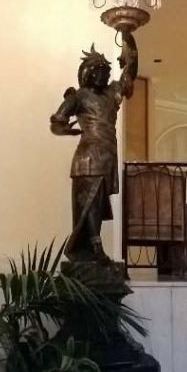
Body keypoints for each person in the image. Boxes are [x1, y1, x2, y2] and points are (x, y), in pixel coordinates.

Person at [50, 31, 137, 263]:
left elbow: (130, 73)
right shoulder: (78, 96)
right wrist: (66, 130)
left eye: (106, 71)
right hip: (87, 156)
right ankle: (95, 247)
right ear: (88, 73)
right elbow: (57, 122)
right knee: (88, 203)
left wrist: (128, 37)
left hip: (107, 156)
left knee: (97, 203)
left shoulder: (112, 93)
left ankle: (93, 247)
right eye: (98, 70)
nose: (103, 74)